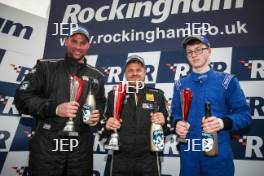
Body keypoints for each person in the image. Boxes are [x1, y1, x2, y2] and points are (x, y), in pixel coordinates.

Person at [14, 25, 106, 176]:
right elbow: (22, 98)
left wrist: (97, 117)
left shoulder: (96, 76)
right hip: (47, 146)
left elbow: (101, 106)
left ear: (88, 45)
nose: (78, 46)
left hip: (80, 150)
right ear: (66, 41)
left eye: (82, 43)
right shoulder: (45, 66)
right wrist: (55, 108)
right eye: (74, 41)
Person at [171, 35, 251, 176]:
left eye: (199, 49)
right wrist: (177, 123)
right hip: (189, 154)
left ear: (209, 51)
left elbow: (244, 115)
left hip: (218, 156)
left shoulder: (227, 81)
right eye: (189, 51)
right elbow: (175, 115)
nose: (194, 54)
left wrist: (222, 122)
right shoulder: (180, 85)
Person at [102, 55, 171, 176]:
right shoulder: (114, 95)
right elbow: (101, 126)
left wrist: (163, 122)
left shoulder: (157, 95)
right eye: (130, 70)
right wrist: (107, 125)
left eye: (138, 70)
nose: (135, 73)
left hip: (149, 160)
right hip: (119, 158)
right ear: (125, 74)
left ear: (145, 72)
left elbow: (168, 128)